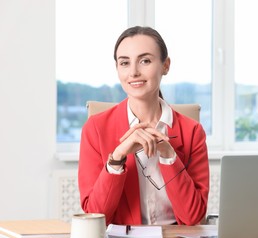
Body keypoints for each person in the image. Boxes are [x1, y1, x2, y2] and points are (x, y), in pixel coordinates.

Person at [78, 26, 210, 226]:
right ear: (117, 69)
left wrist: (168, 155)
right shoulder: (94, 129)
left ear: (165, 66)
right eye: (124, 63)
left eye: (145, 61)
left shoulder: (192, 132)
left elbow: (193, 217)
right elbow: (96, 216)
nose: (133, 72)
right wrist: (117, 158)